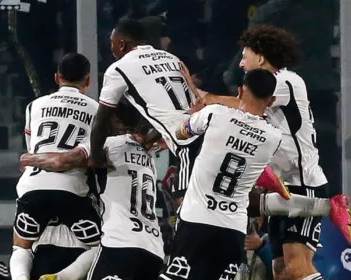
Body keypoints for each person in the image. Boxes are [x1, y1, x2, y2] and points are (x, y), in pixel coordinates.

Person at [183, 24, 350, 280]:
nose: (240, 64)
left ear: (260, 58)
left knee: (297, 268)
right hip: (282, 186)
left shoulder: (287, 81)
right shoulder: (268, 90)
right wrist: (199, 96)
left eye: (244, 56)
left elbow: (243, 104)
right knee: (281, 270)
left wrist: (206, 98)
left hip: (304, 184)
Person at [90, 18, 286, 211]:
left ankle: (293, 205)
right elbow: (181, 104)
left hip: (188, 140)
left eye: (112, 43)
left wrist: (98, 163)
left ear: (122, 44)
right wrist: (156, 135)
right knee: (222, 198)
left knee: (185, 203)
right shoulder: (171, 58)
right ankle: (288, 202)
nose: (111, 48)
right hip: (210, 131)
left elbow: (101, 120)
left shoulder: (118, 69)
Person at [21, 99, 165, 280]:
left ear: (111, 120)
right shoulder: (149, 153)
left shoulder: (108, 145)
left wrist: (29, 159)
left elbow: (61, 162)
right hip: (154, 249)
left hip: (120, 244)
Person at [159, 69, 282, 280]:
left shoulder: (215, 114)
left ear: (240, 91)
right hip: (232, 229)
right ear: (271, 101)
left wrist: (192, 116)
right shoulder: (273, 137)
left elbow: (180, 133)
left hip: (196, 220)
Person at [9, 53, 102, 280]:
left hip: (34, 184)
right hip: (71, 189)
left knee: (21, 247)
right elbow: (96, 159)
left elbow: (34, 151)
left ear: (56, 77)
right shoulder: (98, 109)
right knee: (103, 246)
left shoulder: (34, 106)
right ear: (88, 80)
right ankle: (61, 278)